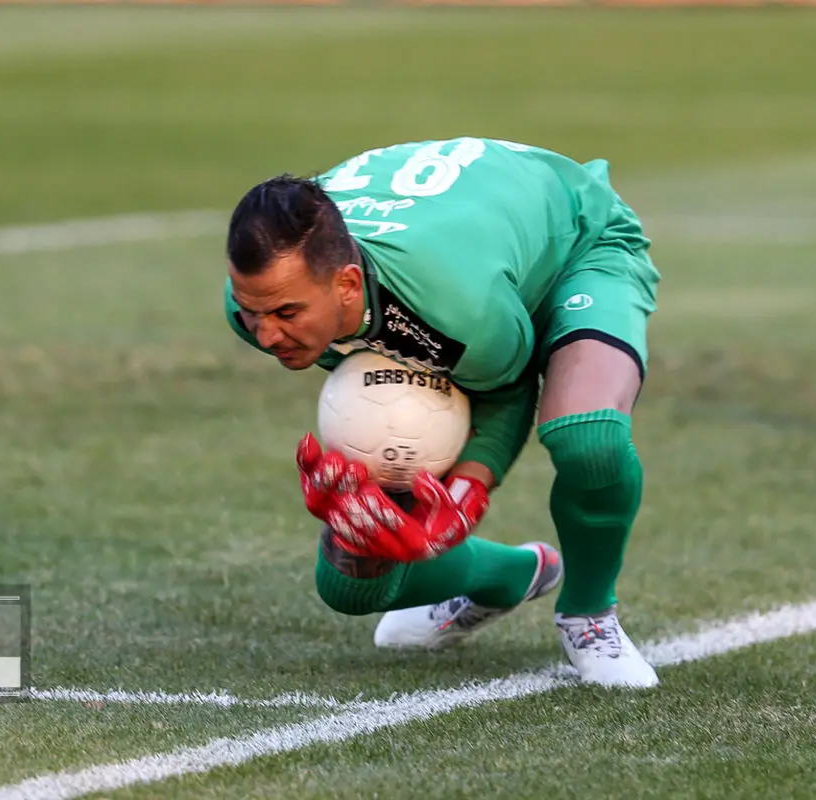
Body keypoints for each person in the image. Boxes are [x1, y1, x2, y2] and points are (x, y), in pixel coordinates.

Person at [222, 137, 661, 688]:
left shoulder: (455, 307)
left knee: (587, 435)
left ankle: (589, 614)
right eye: (252, 310)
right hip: (471, 274)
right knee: (351, 578)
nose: (266, 332)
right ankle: (516, 575)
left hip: (577, 243)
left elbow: (509, 387)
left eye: (287, 312)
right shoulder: (266, 298)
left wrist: (468, 490)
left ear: (348, 284)